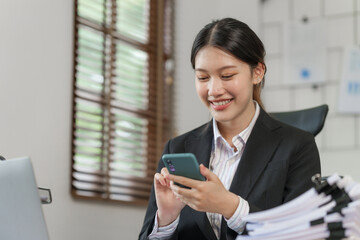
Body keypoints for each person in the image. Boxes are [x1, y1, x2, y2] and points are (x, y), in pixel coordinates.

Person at [139, 18, 321, 240]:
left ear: (257, 72)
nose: (213, 90)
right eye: (202, 77)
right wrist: (166, 219)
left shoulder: (298, 146)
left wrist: (231, 206)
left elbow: (304, 234)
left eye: (227, 76)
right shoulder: (177, 148)